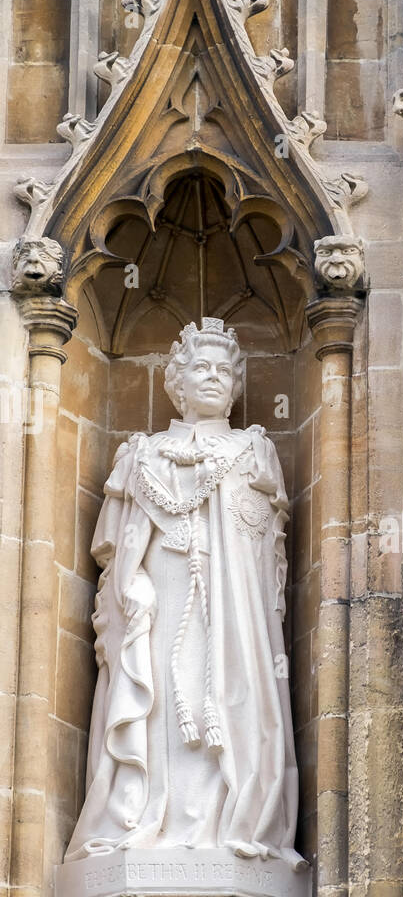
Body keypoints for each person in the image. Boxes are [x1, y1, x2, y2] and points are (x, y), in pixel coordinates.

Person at [65, 318, 304, 867]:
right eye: (201, 367)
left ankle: (236, 827)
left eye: (225, 370)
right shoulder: (142, 455)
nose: (213, 378)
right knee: (165, 709)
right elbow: (117, 552)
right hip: (164, 605)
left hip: (233, 613)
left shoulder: (254, 451)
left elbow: (267, 552)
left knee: (233, 701)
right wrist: (134, 586)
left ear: (238, 384)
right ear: (177, 380)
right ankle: (148, 821)